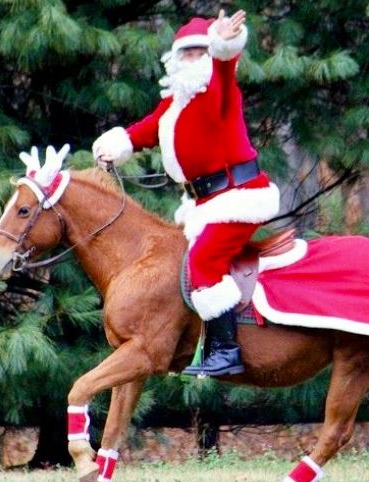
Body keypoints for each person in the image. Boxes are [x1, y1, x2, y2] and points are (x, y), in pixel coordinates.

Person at [92, 9, 279, 376]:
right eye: (187, 54)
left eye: (200, 53)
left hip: (238, 197)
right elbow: (148, 127)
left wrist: (224, 44)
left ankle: (226, 352)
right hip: (204, 203)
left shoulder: (219, 90)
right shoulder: (177, 102)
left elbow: (225, 68)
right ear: (175, 59)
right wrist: (121, 143)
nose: (193, 60)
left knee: (205, 260)